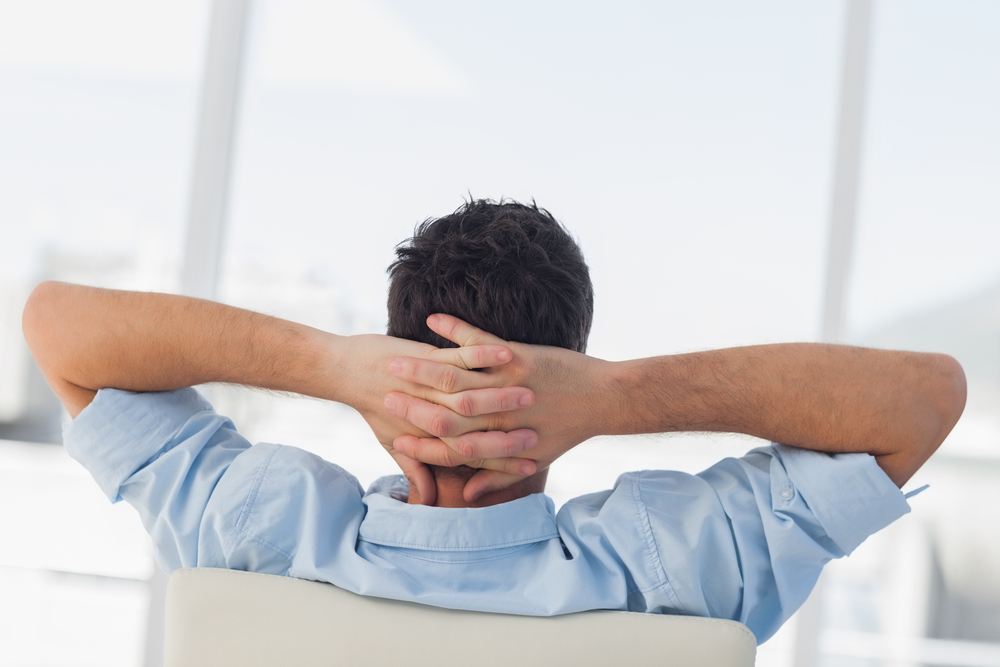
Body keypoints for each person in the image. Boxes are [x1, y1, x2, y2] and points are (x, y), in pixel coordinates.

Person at [22, 200, 966, 643]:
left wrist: (333, 366)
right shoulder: (671, 565)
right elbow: (924, 399)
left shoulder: (261, 525)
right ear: (568, 362)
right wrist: (615, 396)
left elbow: (55, 327)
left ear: (394, 355)